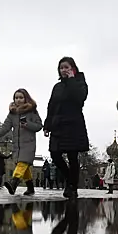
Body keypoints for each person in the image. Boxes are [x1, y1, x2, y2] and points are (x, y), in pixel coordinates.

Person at [43, 57, 89, 199]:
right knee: (55, 155)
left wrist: (71, 80)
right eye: (61, 68)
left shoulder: (79, 82)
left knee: (72, 156)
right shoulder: (57, 87)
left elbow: (80, 98)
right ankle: (70, 179)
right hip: (58, 125)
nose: (64, 70)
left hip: (73, 124)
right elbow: (51, 106)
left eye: (66, 67)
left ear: (73, 68)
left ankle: (72, 187)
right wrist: (47, 124)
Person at [0, 89, 43, 196]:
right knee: (24, 167)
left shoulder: (32, 111)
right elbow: (6, 126)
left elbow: (39, 126)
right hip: (17, 145)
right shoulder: (12, 114)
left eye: (21, 97)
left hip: (28, 144)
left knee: (22, 163)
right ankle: (30, 188)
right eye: (16, 98)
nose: (18, 100)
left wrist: (27, 124)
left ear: (26, 99)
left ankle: (13, 182)